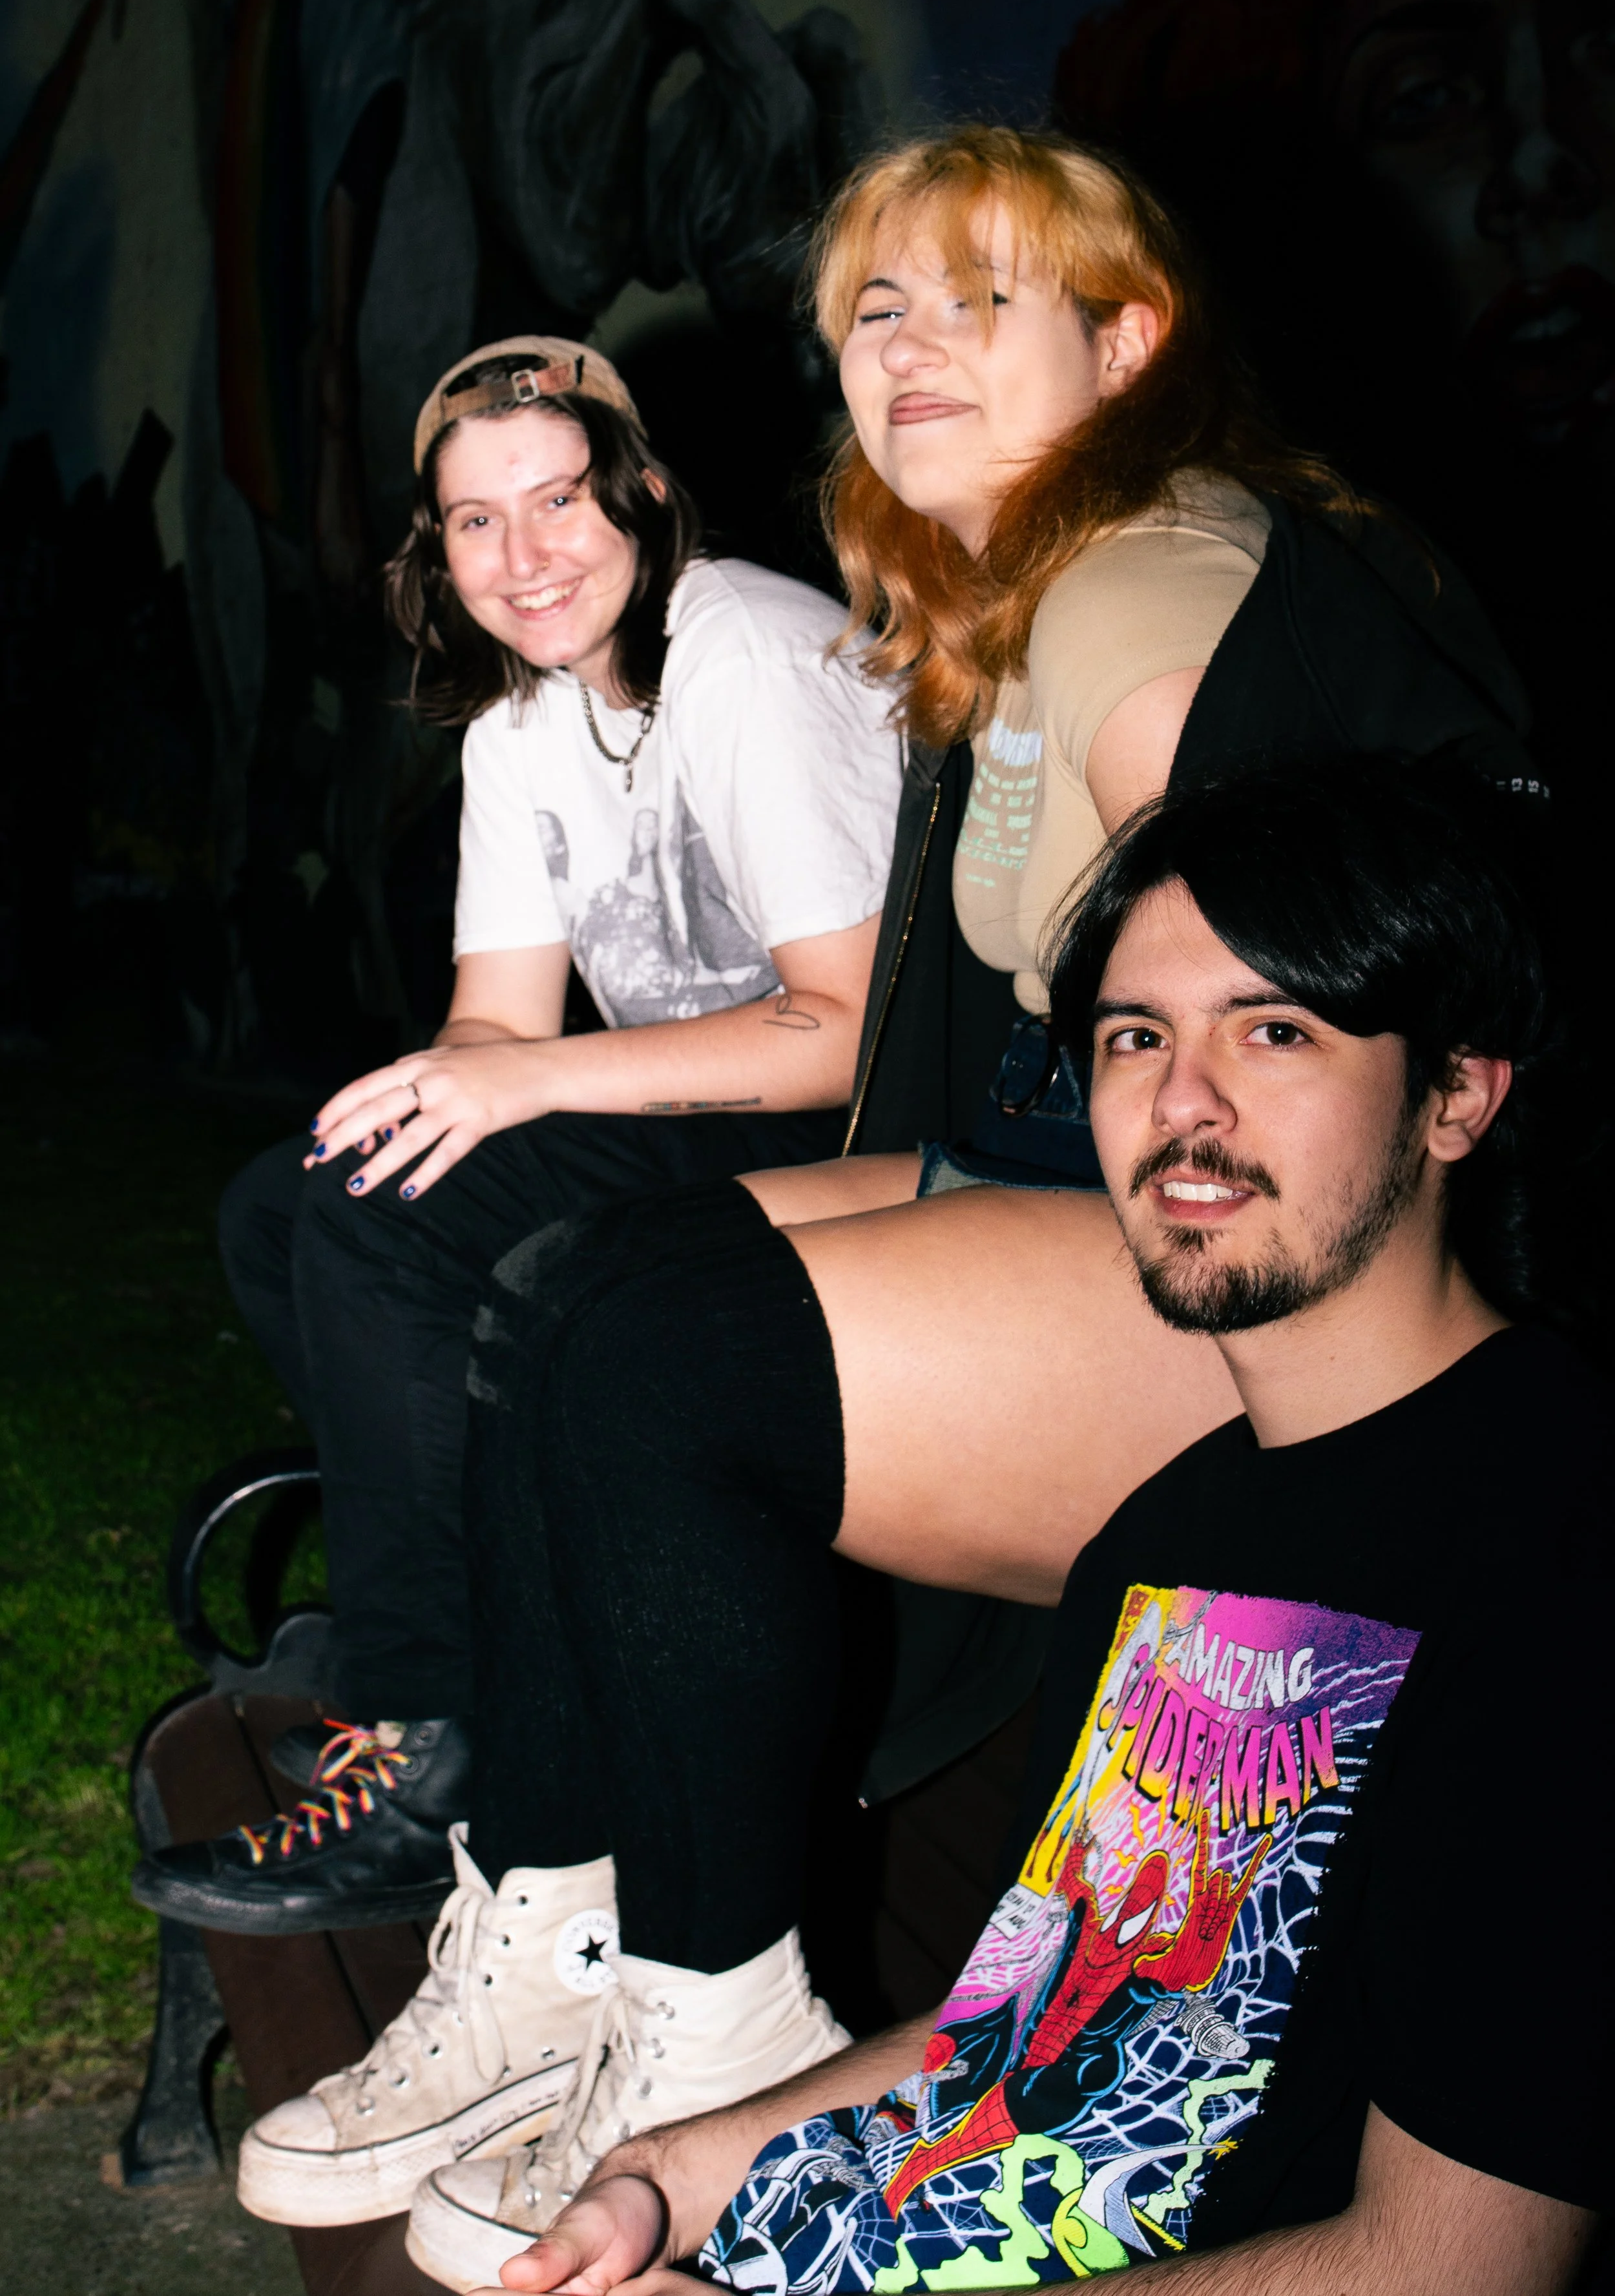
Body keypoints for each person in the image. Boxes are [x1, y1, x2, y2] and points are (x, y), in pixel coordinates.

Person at [136, 129, 1538, 2231]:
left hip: (1299, 1329)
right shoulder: (1013, 609)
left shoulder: (1142, 592)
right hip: (1075, 1189)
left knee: (647, 1341)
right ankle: (545, 1923)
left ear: (1126, 343)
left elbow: (1266, 1082)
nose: (907, 343)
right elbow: (1013, 1072)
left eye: (980, 298)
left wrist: (1274, 1586)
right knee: (563, 1292)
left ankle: (716, 2021)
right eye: (875, 306)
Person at [432, 755, 1604, 2296]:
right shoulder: (1167, 1534)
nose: (1180, 1106)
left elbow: (1452, 2266)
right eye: (1134, 1037)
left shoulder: (1552, 1553)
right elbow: (1025, 2024)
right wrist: (671, 2175)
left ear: (1454, 1094)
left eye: (1272, 1031)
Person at [170, 328, 902, 1901]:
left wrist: (525, 1082)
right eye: (477, 521)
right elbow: (494, 1024)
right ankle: (482, 1628)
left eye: (559, 499)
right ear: (436, 552)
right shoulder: (520, 713)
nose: (525, 556)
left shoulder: (742, 654)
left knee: (379, 1223)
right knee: (293, 1203)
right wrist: (445, 1092)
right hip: (701, 1110)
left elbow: (851, 1035)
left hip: (866, 1137)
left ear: (644, 494)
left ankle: (434, 1734)